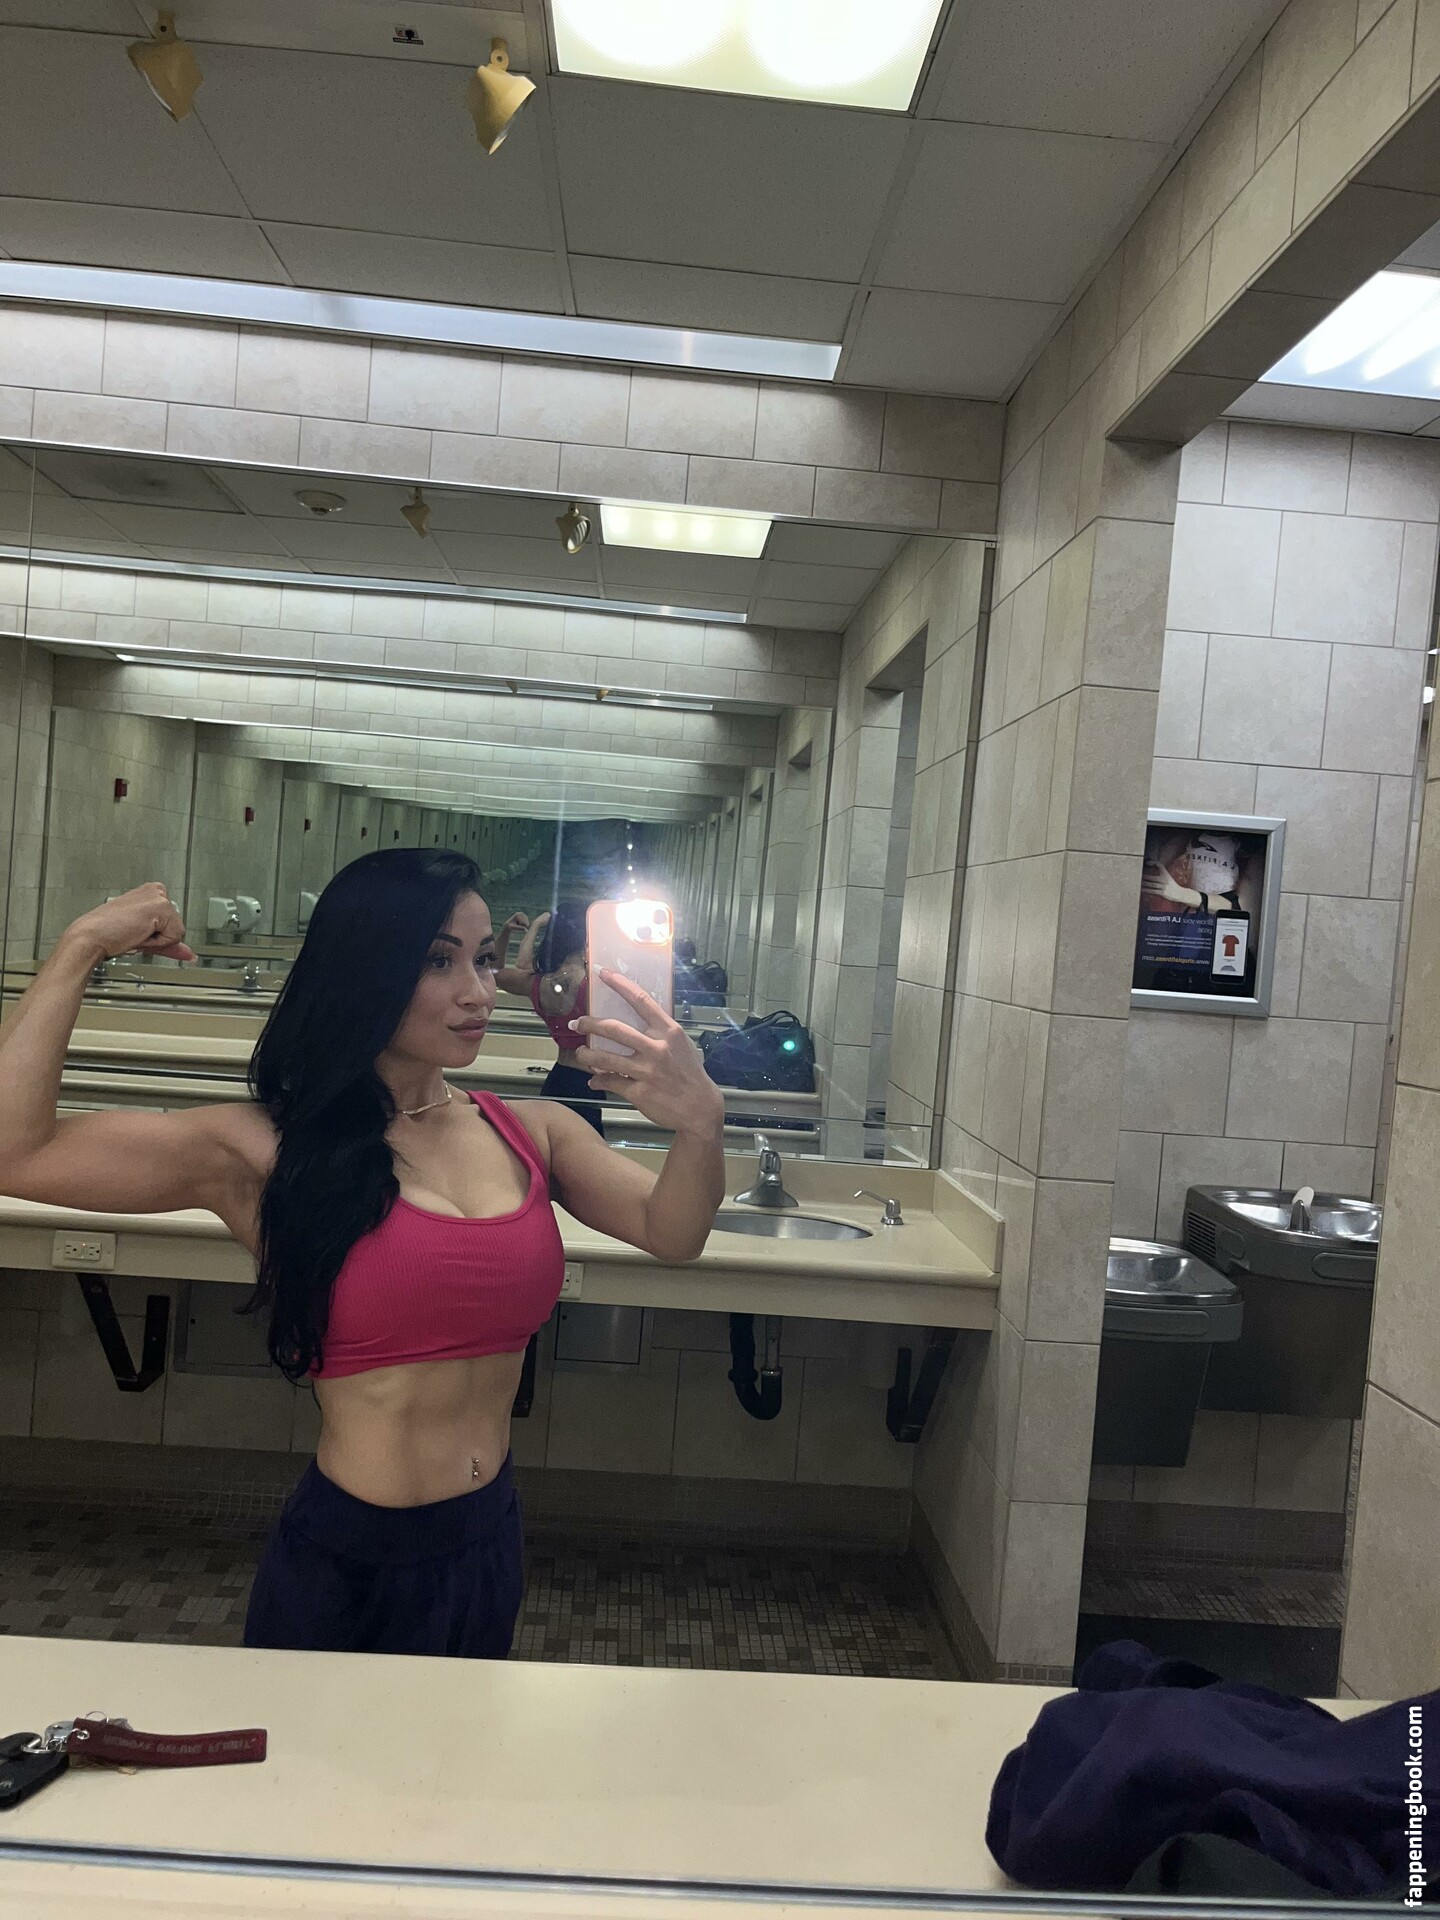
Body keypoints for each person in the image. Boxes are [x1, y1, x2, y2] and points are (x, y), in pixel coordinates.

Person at [0, 854, 725, 1659]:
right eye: (438, 961)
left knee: (459, 1745)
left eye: (485, 959)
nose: (479, 992)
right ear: (365, 969)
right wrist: (81, 945)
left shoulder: (533, 1131)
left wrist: (701, 1123)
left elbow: (673, 1232)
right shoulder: (269, 1147)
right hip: (351, 1559)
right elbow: (15, 1152)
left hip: (488, 1540)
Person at [493, 903, 604, 1134]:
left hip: (556, 1079)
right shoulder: (595, 985)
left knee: (550, 1150)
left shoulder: (538, 982)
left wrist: (507, 931)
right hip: (586, 1084)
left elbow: (493, 972)